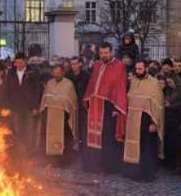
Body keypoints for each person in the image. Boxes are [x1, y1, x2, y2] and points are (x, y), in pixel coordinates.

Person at [83, 42, 128, 174]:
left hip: (109, 106)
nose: (103, 55)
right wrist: (88, 99)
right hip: (95, 106)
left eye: (106, 53)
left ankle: (108, 167)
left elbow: (120, 87)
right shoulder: (97, 65)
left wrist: (117, 108)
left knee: (107, 138)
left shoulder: (119, 66)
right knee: (92, 135)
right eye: (101, 53)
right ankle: (93, 165)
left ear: (111, 52)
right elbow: (92, 83)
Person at [123, 60, 164, 182]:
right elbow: (129, 98)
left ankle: (147, 174)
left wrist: (153, 122)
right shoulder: (134, 81)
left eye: (140, 69)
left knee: (147, 148)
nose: (138, 71)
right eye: (136, 69)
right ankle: (134, 173)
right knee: (135, 147)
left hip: (147, 120)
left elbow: (158, 105)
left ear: (146, 68)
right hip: (133, 119)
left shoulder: (154, 83)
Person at [38, 64, 78, 166]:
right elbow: (45, 99)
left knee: (65, 138)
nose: (56, 75)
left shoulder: (69, 84)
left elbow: (71, 101)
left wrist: (60, 103)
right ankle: (49, 160)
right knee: (47, 137)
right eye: (54, 73)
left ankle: (63, 162)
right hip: (50, 117)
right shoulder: (49, 83)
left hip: (64, 117)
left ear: (63, 72)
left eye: (58, 73)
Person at [6, 52, 41, 150]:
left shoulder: (33, 73)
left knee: (29, 130)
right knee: (17, 130)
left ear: (25, 61)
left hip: (29, 107)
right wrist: (9, 106)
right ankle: (19, 151)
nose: (18, 65)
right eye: (16, 62)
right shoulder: (11, 73)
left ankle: (29, 151)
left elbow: (37, 90)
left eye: (21, 62)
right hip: (16, 107)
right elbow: (8, 90)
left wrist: (35, 107)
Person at [66, 56, 90, 152]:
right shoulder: (68, 76)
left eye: (75, 63)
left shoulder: (86, 75)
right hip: (70, 106)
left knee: (82, 129)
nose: (74, 66)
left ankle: (83, 150)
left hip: (82, 107)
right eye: (72, 64)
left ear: (80, 64)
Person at [163, 75, 181, 173]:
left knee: (176, 144)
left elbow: (179, 106)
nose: (169, 84)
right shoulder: (169, 91)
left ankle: (177, 166)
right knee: (170, 143)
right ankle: (171, 165)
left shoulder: (180, 92)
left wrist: (168, 106)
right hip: (169, 120)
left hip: (176, 121)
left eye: (170, 82)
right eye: (168, 82)